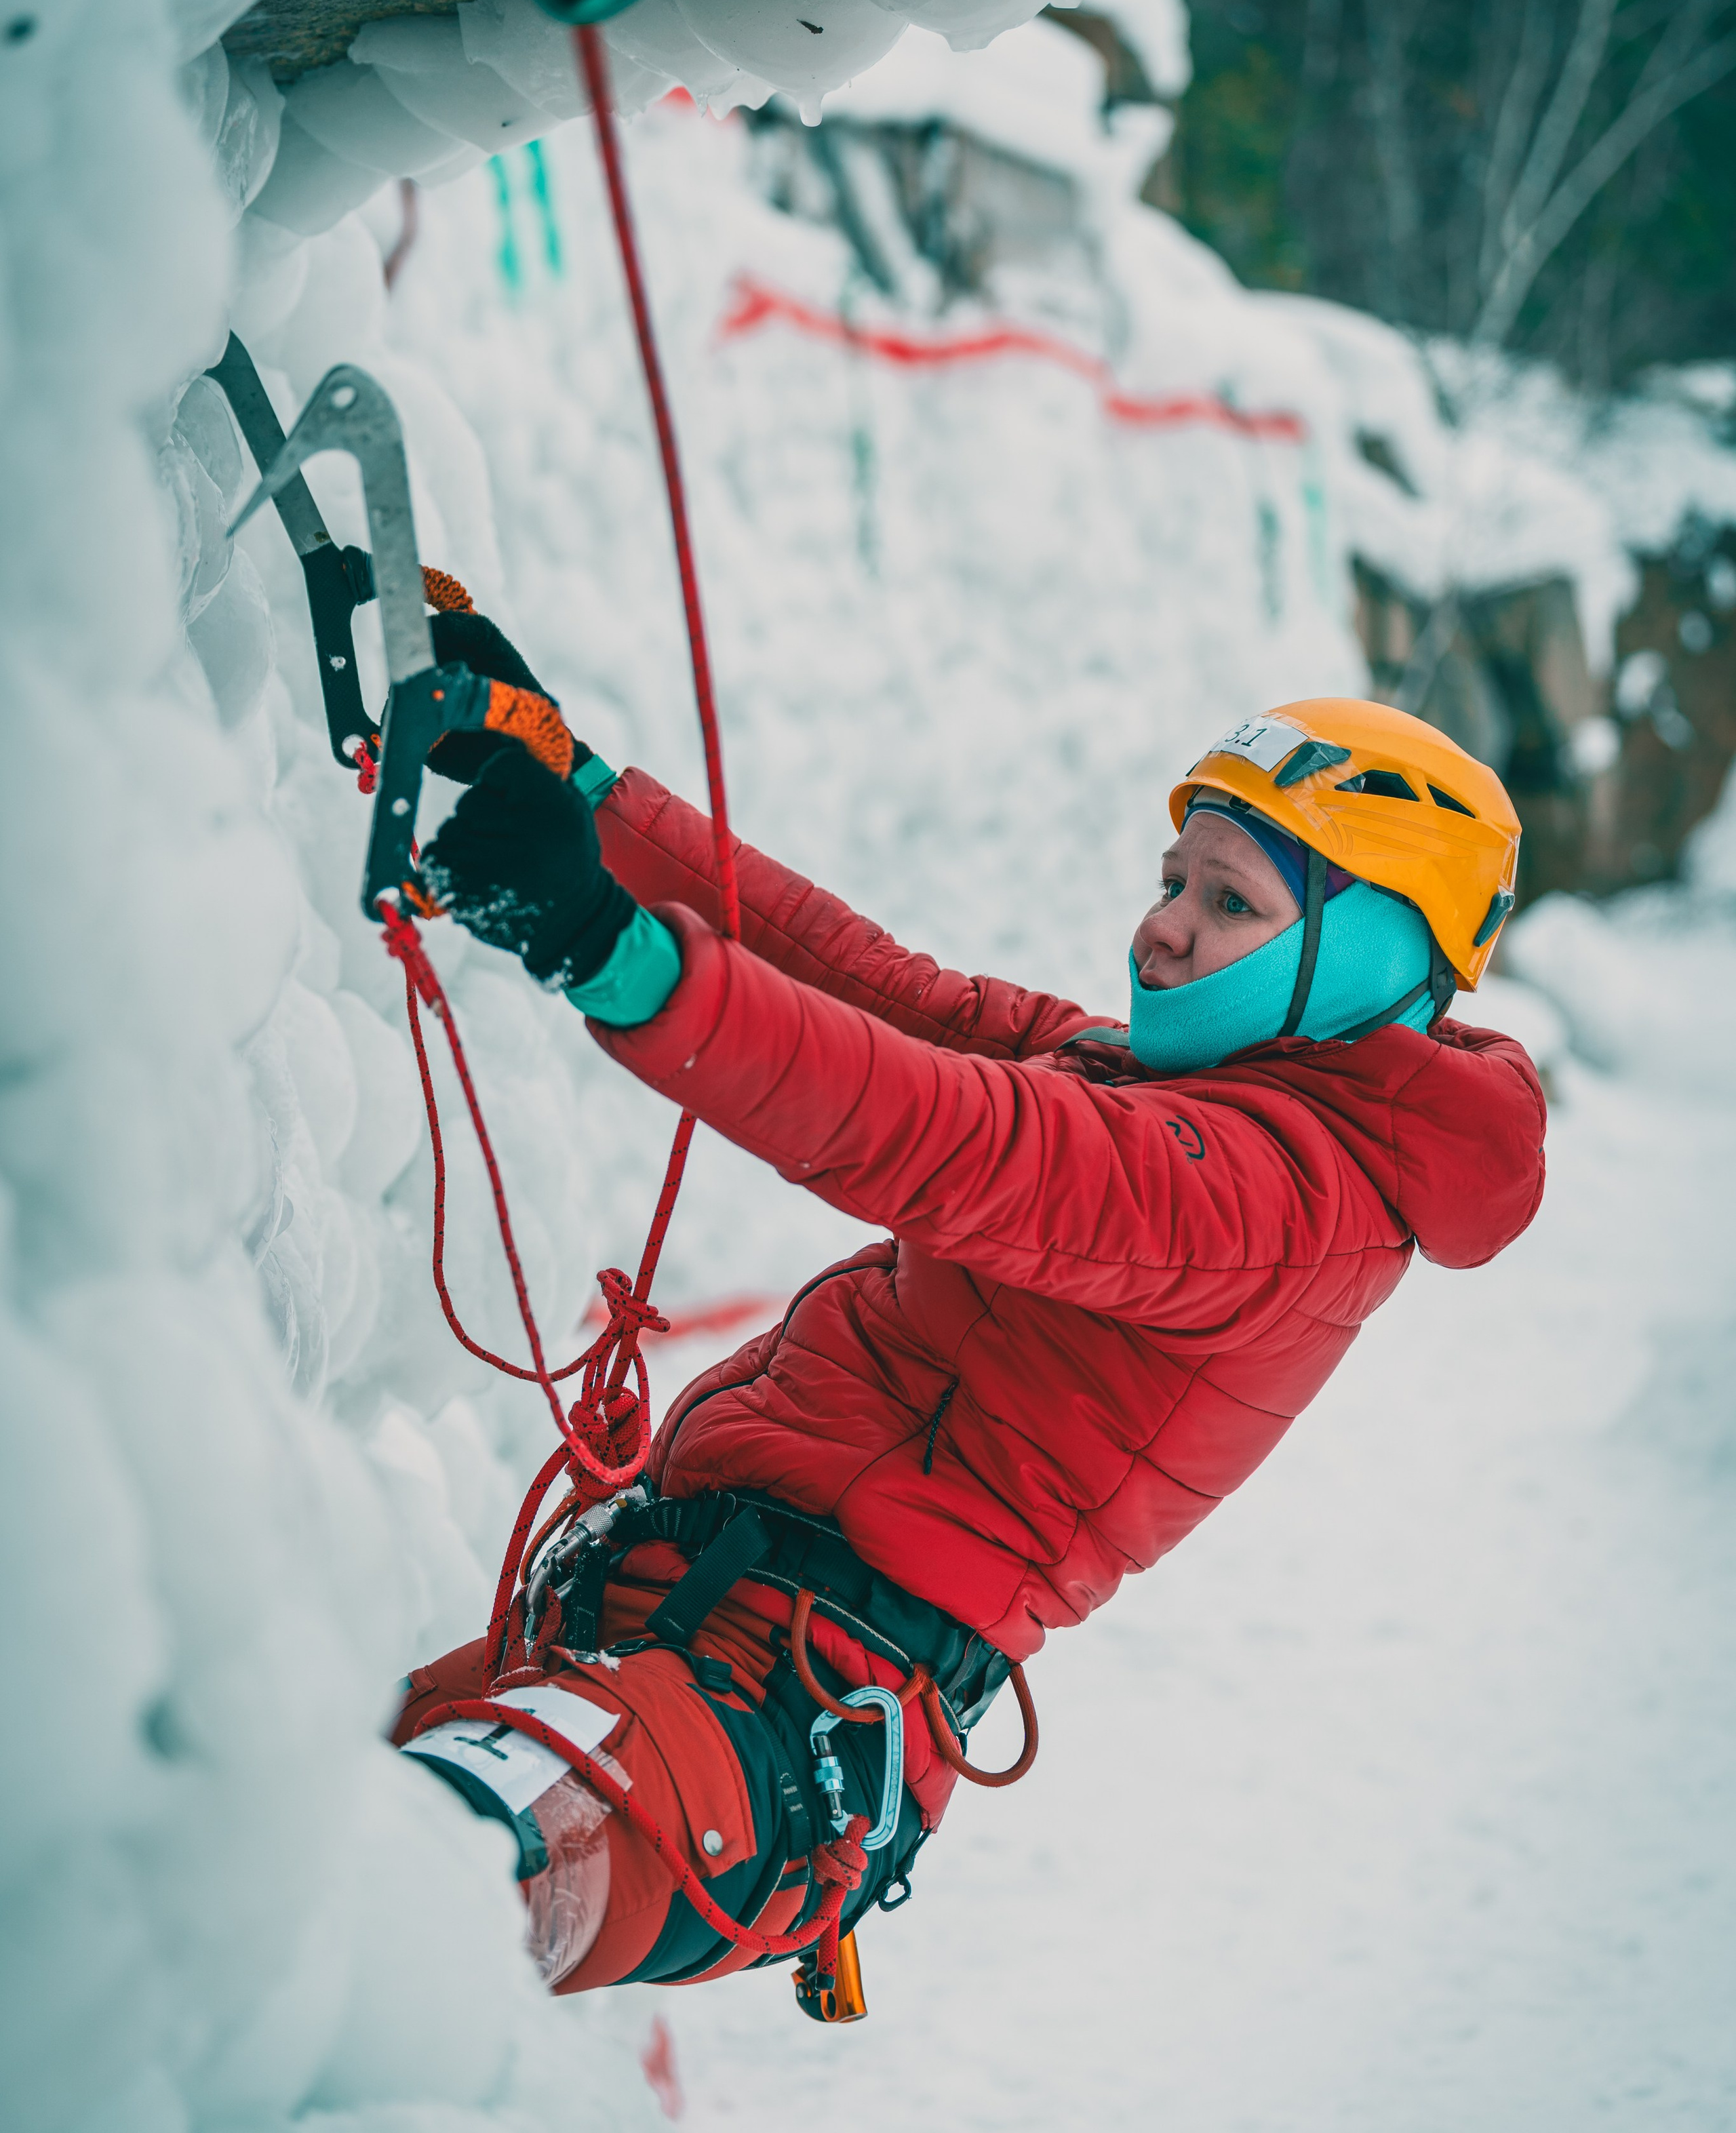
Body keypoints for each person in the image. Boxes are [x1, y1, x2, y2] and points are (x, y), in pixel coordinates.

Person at [391, 616, 1545, 2012]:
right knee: (219, 1821)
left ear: (1366, 966)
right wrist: (580, 788)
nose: (1162, 926)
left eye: (1230, 903)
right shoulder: (1146, 1086)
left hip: (770, 1727)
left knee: (372, 1904)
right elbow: (866, 986)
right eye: (1171, 876)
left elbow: (948, 1138)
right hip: (665, 1640)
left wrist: (613, 954)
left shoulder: (1277, 1203)